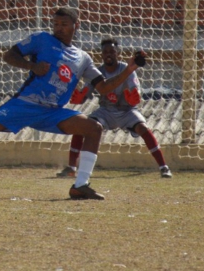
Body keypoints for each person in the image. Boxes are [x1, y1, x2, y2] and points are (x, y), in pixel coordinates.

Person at [0, 7, 145, 200]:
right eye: (56, 24)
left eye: (64, 25)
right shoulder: (41, 40)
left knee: (93, 128)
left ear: (75, 26)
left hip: (53, 112)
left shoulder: (83, 58)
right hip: (25, 104)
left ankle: (80, 185)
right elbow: (9, 55)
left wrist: (131, 67)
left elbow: (103, 87)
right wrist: (32, 66)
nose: (59, 29)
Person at [57, 37, 172, 179]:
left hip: (126, 110)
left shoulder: (126, 69)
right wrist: (79, 95)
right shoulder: (97, 72)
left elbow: (135, 94)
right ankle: (71, 168)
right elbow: (85, 94)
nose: (108, 54)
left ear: (117, 53)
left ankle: (164, 167)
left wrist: (134, 95)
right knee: (82, 127)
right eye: (105, 52)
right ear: (102, 55)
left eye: (112, 51)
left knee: (144, 129)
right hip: (105, 111)